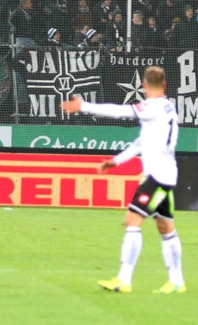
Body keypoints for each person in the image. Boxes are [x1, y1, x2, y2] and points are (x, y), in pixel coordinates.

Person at [60, 66, 185, 294]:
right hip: (166, 174)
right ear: (165, 85)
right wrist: (116, 161)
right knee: (165, 227)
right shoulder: (168, 107)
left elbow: (119, 111)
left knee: (132, 221)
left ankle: (124, 279)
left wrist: (84, 106)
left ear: (144, 86)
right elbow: (141, 142)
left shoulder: (152, 107)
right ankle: (177, 281)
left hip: (157, 176)